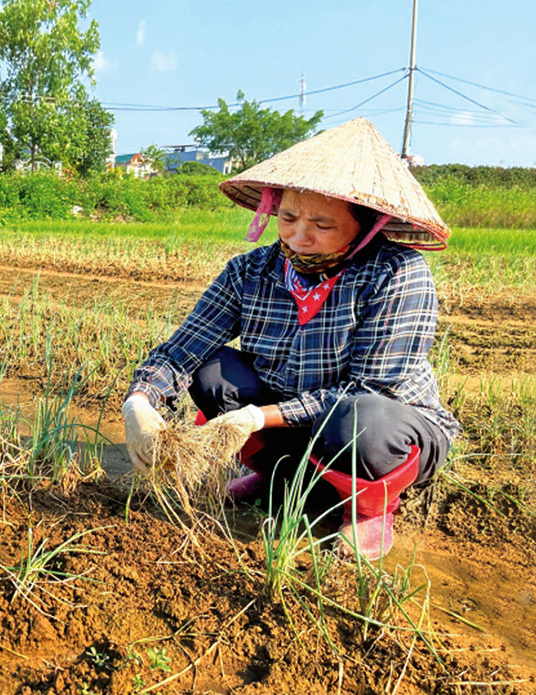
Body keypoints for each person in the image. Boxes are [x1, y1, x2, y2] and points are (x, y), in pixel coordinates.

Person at [122, 118, 459, 560]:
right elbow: (185, 348)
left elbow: (372, 388)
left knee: (361, 420)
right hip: (290, 417)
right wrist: (141, 401)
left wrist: (259, 417)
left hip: (382, 424)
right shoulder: (250, 272)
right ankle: (278, 479)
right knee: (211, 370)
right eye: (288, 217)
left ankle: (368, 510)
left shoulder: (397, 274)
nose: (299, 237)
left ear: (367, 227)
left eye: (322, 224)